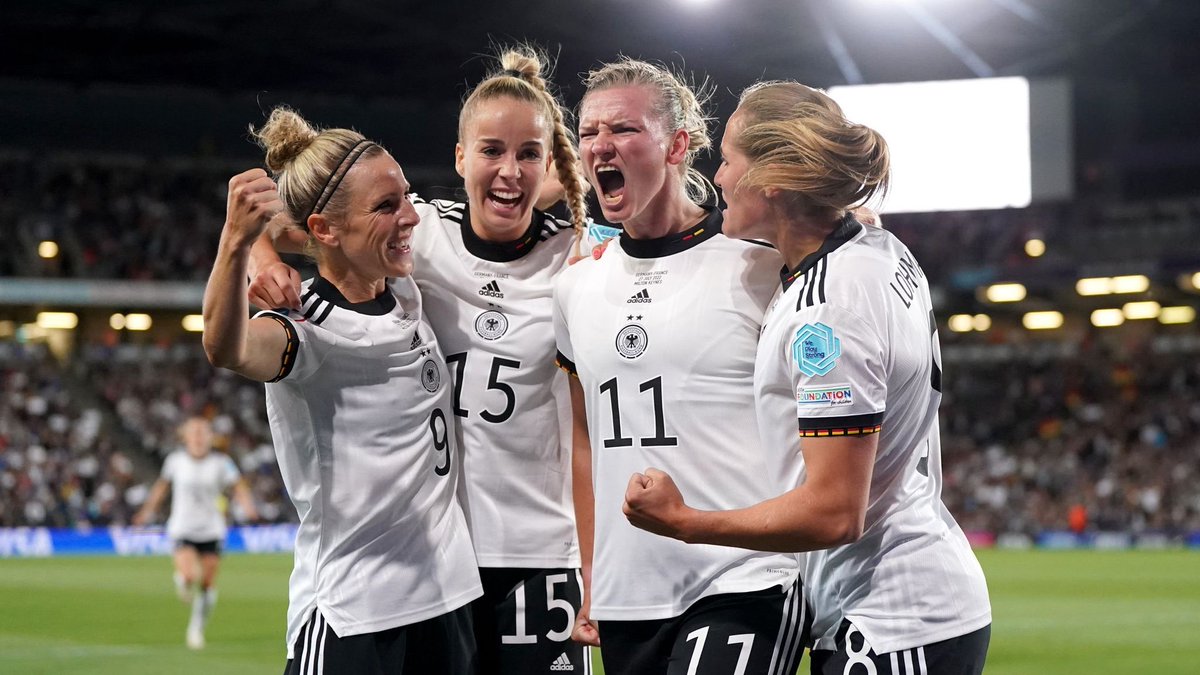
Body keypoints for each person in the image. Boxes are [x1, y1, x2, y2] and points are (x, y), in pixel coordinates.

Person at [246, 48, 604, 674]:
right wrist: (264, 258)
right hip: (441, 568)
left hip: (538, 558)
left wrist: (597, 566)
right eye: (491, 151)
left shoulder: (579, 262)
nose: (509, 170)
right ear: (460, 156)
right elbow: (291, 219)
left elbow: (584, 432)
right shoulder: (421, 234)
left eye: (527, 154)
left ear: (548, 163)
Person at [622, 80, 992, 674]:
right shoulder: (877, 246)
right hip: (911, 606)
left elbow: (833, 512)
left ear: (773, 179)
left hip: (891, 620)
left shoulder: (826, 314)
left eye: (728, 159)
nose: (716, 177)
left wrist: (687, 523)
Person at [203, 107, 482, 673]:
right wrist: (239, 244)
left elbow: (292, 225)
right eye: (387, 206)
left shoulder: (405, 292)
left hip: (448, 602)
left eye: (406, 195)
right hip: (354, 616)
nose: (411, 216)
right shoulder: (307, 328)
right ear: (327, 231)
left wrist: (264, 248)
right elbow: (226, 348)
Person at [551, 58, 807, 675]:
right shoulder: (576, 287)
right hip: (627, 591)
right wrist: (592, 572)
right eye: (588, 133)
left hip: (743, 577)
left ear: (678, 145)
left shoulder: (761, 264)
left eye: (624, 129)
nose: (600, 147)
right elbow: (586, 440)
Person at [133, 415, 258, 650]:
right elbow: (161, 487)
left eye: (204, 432)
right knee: (189, 575)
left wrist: (248, 506)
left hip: (212, 529)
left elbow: (238, 486)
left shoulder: (222, 463)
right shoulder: (175, 461)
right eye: (195, 432)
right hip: (183, 527)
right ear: (186, 437)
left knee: (208, 583)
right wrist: (146, 512)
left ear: (211, 437)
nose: (199, 437)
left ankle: (196, 628)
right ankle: (182, 580)